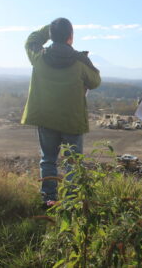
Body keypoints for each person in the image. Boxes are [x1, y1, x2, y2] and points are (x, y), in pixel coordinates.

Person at [21, 18, 101, 207]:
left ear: (51, 36)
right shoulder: (80, 62)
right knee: (73, 162)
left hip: (45, 118)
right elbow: (95, 81)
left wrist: (50, 30)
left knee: (48, 159)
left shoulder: (39, 57)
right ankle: (72, 203)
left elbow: (30, 40)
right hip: (71, 120)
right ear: (70, 37)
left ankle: (49, 198)